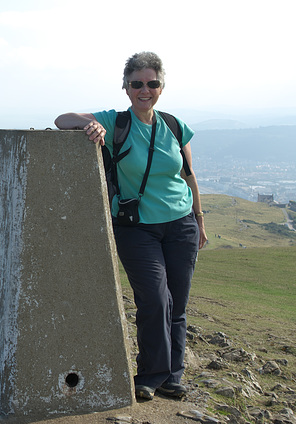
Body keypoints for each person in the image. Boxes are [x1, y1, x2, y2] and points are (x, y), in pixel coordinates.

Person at [55, 51, 208, 401]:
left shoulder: (173, 125)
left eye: (152, 83)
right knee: (154, 299)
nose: (145, 89)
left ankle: (173, 376)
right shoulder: (116, 122)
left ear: (161, 86)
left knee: (177, 303)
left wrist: (199, 219)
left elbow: (189, 175)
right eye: (137, 83)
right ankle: (151, 375)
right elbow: (61, 119)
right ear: (125, 87)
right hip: (137, 226)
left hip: (181, 223)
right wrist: (87, 124)